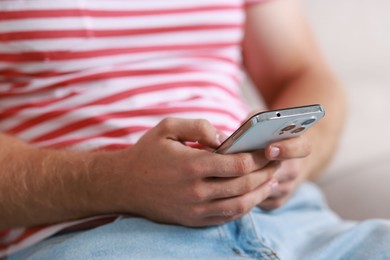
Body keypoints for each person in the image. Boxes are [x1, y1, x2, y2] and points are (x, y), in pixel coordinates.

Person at [1, 0, 389, 259]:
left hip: (298, 222)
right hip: (98, 235)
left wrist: (294, 159)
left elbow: (303, 72)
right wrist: (119, 181)